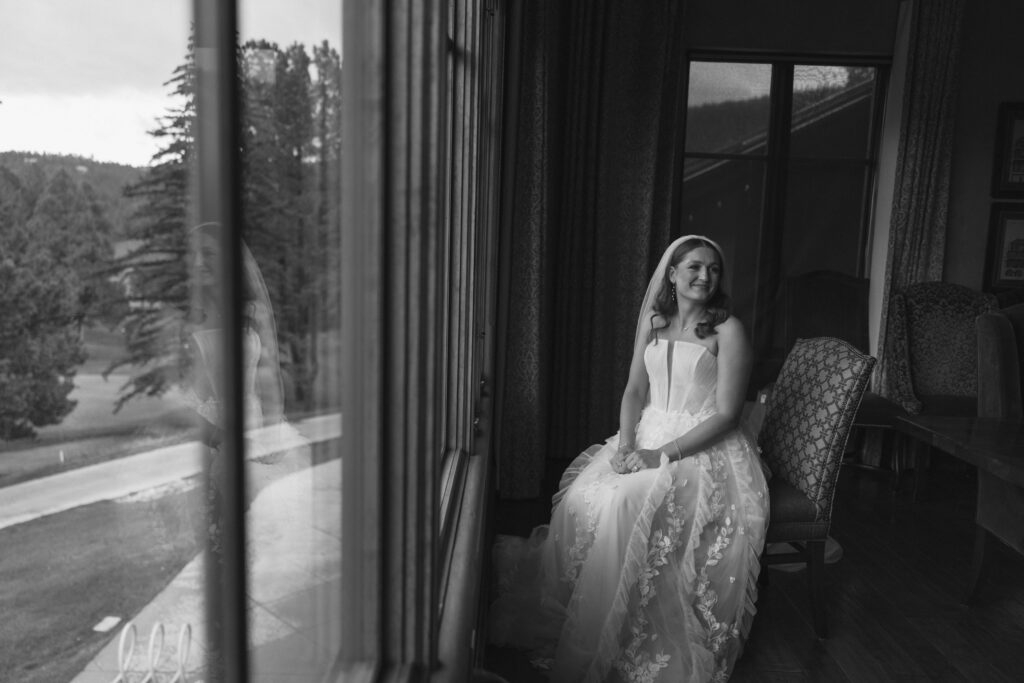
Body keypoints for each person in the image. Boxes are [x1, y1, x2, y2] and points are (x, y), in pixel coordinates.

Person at [490, 235, 770, 683]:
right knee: (582, 495)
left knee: (624, 503)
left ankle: (617, 633)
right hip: (646, 433)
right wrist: (625, 446)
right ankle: (577, 615)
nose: (705, 276)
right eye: (695, 267)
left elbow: (727, 415)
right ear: (672, 274)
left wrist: (661, 454)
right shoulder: (654, 322)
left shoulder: (727, 331)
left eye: (714, 269)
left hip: (702, 446)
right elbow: (634, 391)